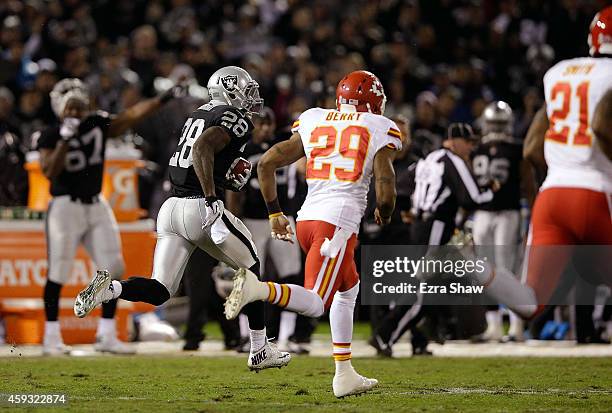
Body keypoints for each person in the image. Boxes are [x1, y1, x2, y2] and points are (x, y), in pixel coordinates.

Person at [73, 66, 291, 371]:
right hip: (199, 207)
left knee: (161, 289)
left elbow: (196, 157)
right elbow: (203, 148)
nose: (251, 98)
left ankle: (111, 290)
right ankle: (259, 349)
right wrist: (214, 198)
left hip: (170, 208)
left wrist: (225, 177)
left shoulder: (200, 113)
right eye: (247, 90)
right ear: (230, 90)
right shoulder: (234, 118)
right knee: (252, 269)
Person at [223, 70, 401, 397]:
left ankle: (344, 373)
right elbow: (386, 186)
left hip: (307, 220)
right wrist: (385, 211)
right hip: (337, 222)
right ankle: (257, 289)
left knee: (349, 289)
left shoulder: (314, 118)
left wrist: (275, 212)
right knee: (317, 303)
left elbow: (265, 165)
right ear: (375, 101)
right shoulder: (379, 126)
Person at [474, 6, 612, 320]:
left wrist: (565, 164)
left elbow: (533, 145)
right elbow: (604, 126)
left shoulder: (560, 72)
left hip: (553, 195)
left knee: (530, 301)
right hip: (597, 192)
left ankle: (475, 266)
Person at [36, 78, 183, 356]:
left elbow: (130, 116)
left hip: (96, 205)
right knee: (59, 271)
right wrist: (65, 138)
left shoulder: (96, 124)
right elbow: (50, 172)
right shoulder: (50, 134)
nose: (76, 114)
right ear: (59, 110)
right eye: (71, 110)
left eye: (80, 109)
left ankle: (107, 334)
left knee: (112, 268)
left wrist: (162, 99)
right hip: (65, 206)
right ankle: (51, 337)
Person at [370, 123, 499, 356]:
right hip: (435, 227)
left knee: (432, 286)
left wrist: (411, 209)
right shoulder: (453, 160)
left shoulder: (428, 159)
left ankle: (421, 336)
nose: (470, 149)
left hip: (421, 225)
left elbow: (402, 186)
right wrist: (491, 190)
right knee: (423, 289)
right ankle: (385, 333)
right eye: (468, 143)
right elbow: (471, 198)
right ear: (455, 141)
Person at [226, 106, 305, 352]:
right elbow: (233, 191)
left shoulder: (282, 148)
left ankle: (287, 336)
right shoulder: (244, 151)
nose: (266, 128)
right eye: (261, 123)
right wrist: (233, 221)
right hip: (252, 219)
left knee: (290, 275)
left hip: (281, 217)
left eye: (269, 124)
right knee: (248, 276)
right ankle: (245, 336)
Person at [471, 101, 534, 342]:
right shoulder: (477, 149)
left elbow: (527, 183)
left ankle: (516, 326)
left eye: (499, 123)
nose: (496, 128)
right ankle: (494, 326)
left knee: (507, 270)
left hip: (508, 212)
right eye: (493, 123)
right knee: (483, 270)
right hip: (483, 213)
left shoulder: (516, 149)